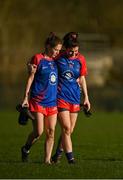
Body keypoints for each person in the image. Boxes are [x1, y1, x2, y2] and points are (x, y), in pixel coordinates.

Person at [21, 32, 62, 164]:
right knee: (39, 132)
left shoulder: (57, 61)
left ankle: (47, 161)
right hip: (38, 101)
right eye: (55, 49)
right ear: (47, 46)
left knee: (51, 132)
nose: (57, 52)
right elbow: (31, 77)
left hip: (52, 102)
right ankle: (26, 149)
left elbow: (70, 58)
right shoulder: (38, 58)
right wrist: (25, 97)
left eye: (58, 50)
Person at [51, 32, 91, 164]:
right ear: (65, 49)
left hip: (75, 97)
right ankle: (71, 160)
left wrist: (86, 98)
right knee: (66, 128)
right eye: (71, 51)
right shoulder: (58, 57)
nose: (74, 54)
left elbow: (82, 79)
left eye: (76, 51)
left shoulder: (81, 59)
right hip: (61, 97)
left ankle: (57, 154)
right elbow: (45, 61)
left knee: (69, 131)